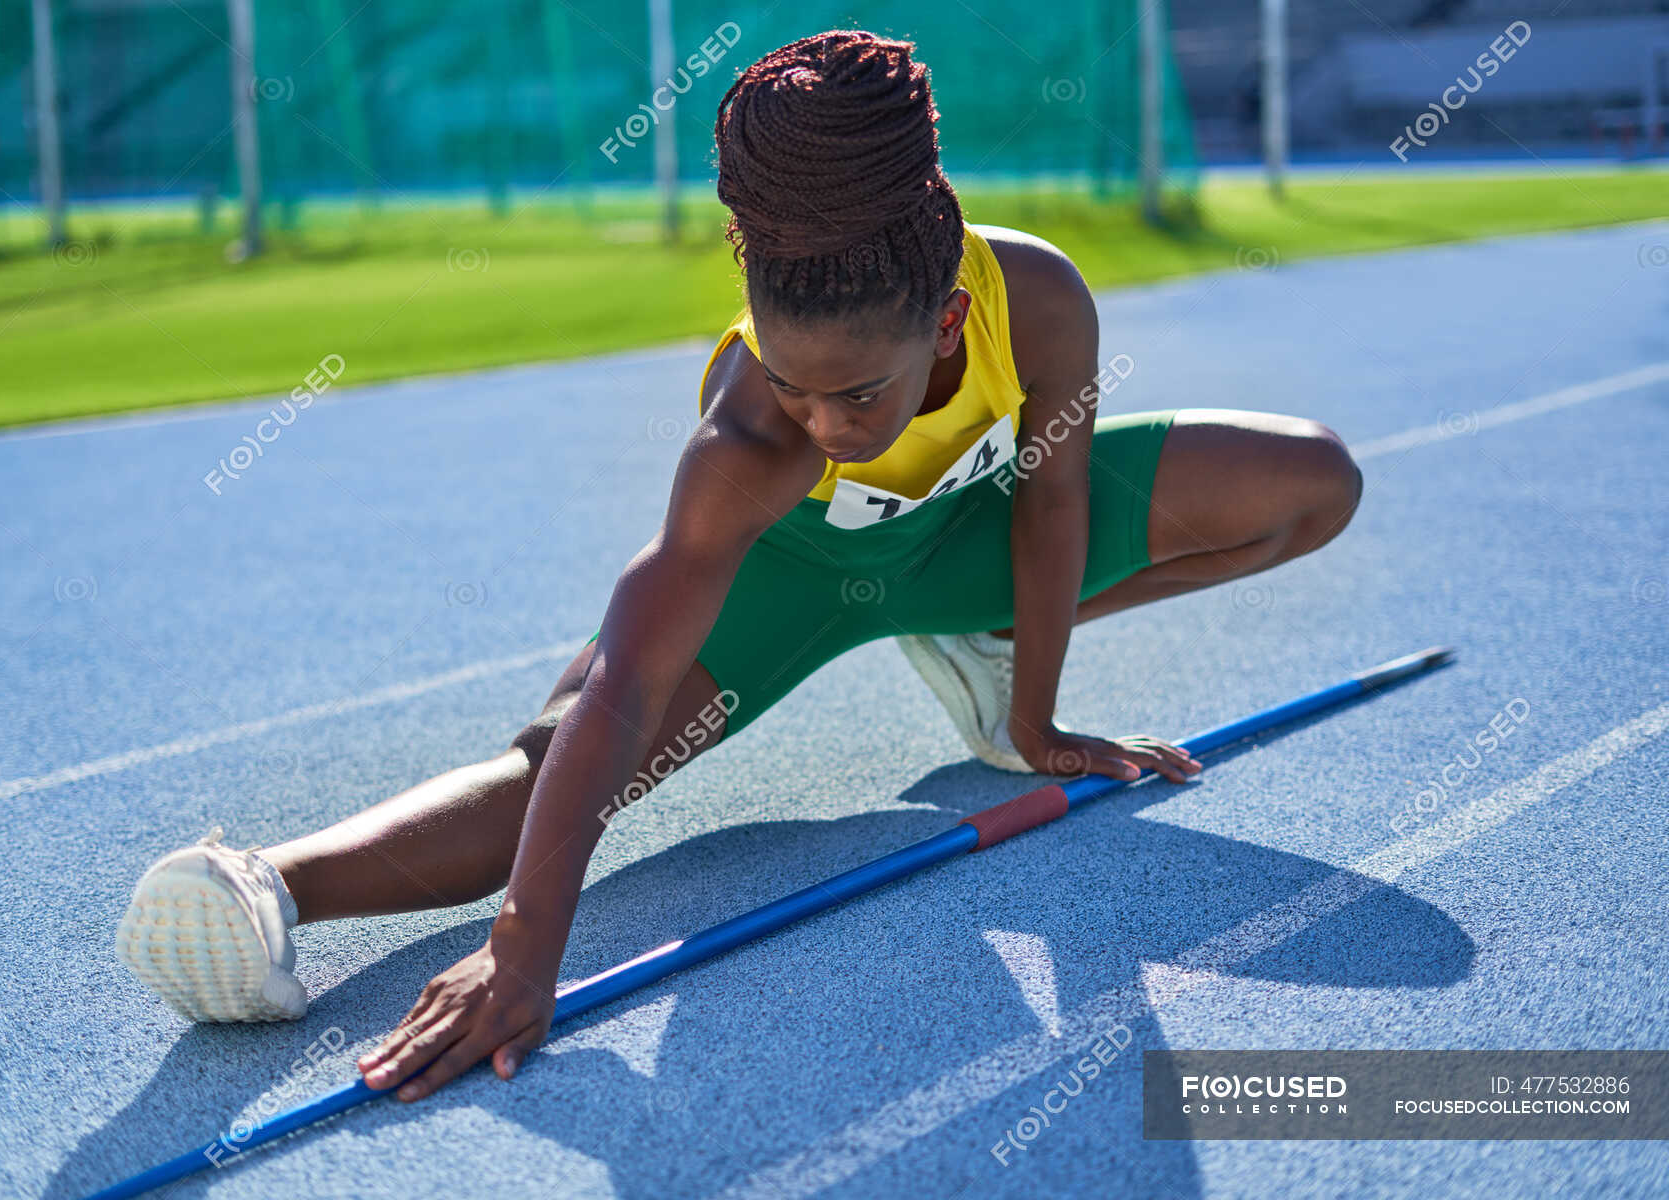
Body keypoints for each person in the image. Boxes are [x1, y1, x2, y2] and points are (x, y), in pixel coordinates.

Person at [116, 30, 1362, 1105]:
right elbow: (621, 690)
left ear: (946, 322)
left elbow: (1055, 505)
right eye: (791, 381)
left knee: (1308, 485)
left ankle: (971, 648)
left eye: (859, 392)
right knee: (555, 779)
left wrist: (1034, 723)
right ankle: (267, 887)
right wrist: (522, 942)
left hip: (970, 539)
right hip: (798, 581)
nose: (822, 422)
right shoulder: (753, 433)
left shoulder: (1034, 297)